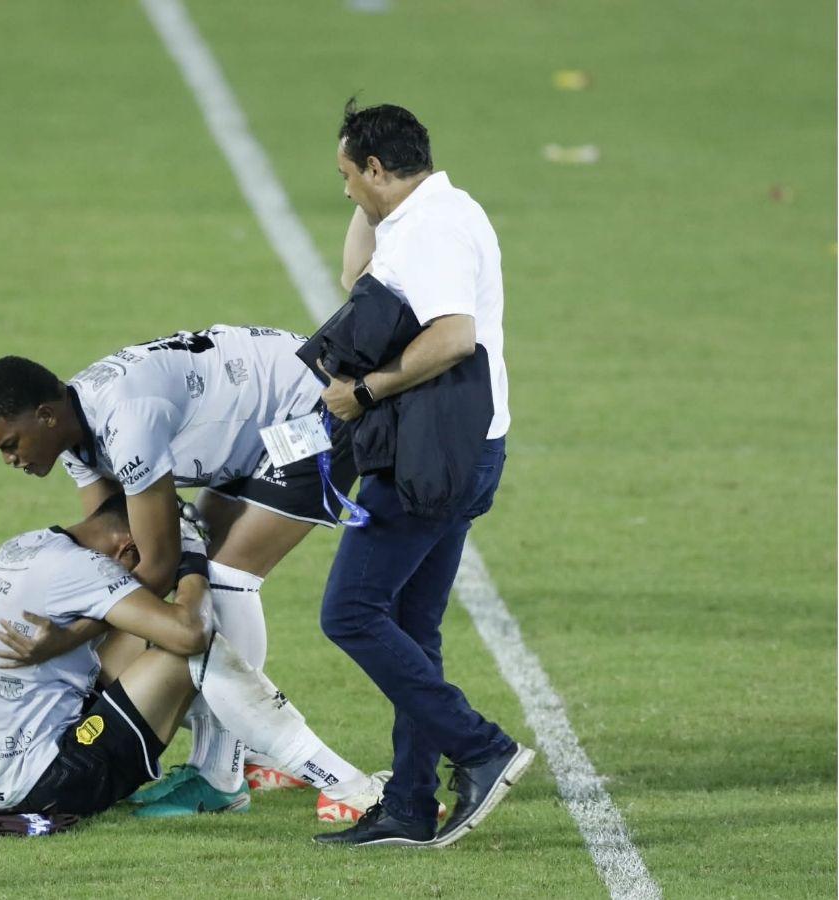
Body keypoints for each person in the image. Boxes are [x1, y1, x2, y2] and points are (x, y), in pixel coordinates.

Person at [0, 326, 375, 820]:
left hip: (310, 407)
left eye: (10, 443)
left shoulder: (125, 422)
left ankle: (229, 777)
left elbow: (155, 569)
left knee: (223, 577)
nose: (10, 459)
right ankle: (245, 754)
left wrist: (68, 637)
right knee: (192, 586)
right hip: (251, 434)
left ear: (46, 416)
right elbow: (117, 556)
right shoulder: (77, 438)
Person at [311, 100, 533, 848]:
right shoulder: (421, 215)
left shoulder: (435, 228)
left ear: (378, 168)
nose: (343, 191)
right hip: (452, 448)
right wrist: (372, 201)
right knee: (410, 623)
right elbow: (355, 274)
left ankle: (481, 746)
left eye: (348, 175)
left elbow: (453, 338)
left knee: (350, 611)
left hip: (433, 456)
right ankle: (409, 804)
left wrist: (363, 391)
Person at [0, 493, 383, 824]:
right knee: (191, 648)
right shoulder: (85, 569)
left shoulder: (25, 546)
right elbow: (190, 634)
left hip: (0, 773)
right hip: (51, 783)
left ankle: (249, 756)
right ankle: (342, 783)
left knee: (145, 628)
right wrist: (191, 554)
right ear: (128, 546)